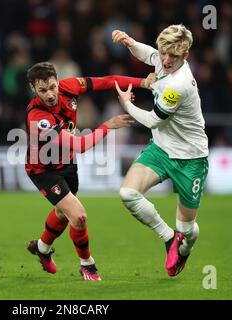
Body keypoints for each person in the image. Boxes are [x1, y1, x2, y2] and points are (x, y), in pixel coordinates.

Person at [25, 61, 153, 281]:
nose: (50, 94)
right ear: (33, 90)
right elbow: (79, 145)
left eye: (52, 87)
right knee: (79, 216)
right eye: (43, 90)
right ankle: (88, 265)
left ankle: (43, 248)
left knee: (63, 212)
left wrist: (143, 82)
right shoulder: (38, 118)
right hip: (43, 170)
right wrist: (107, 126)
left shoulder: (70, 87)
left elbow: (106, 81)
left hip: (67, 164)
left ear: (58, 81)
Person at [112, 24, 209, 277]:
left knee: (187, 229)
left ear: (185, 55)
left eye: (173, 56)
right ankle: (169, 239)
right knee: (128, 193)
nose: (165, 60)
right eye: (163, 52)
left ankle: (183, 247)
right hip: (161, 149)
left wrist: (125, 104)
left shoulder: (179, 84)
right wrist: (130, 42)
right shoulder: (164, 58)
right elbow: (149, 55)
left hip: (190, 158)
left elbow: (154, 121)